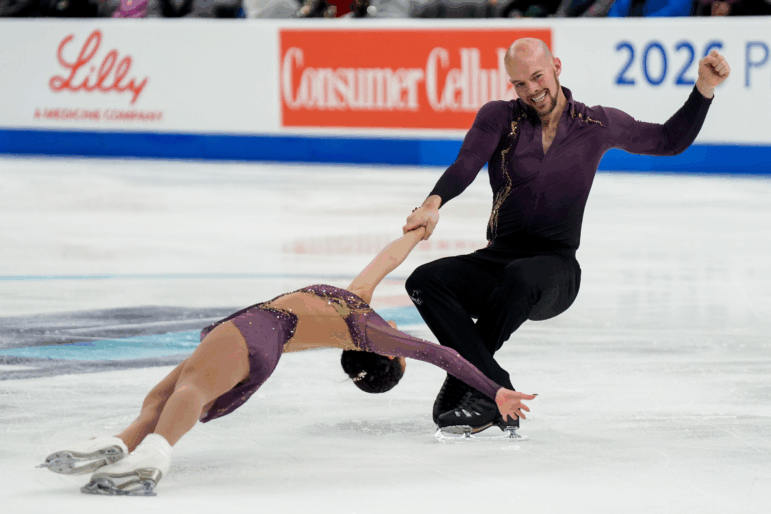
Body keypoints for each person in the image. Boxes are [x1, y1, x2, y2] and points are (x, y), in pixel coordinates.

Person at [38, 225, 536, 496]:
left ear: (388, 360)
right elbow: (387, 259)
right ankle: (123, 446)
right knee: (164, 394)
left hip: (260, 328)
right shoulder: (356, 306)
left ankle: (153, 456)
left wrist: (493, 389)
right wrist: (417, 231)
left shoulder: (370, 329)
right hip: (261, 337)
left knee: (190, 388)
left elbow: (440, 352)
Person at [403, 38, 729, 432]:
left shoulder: (596, 124)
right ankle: (494, 384)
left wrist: (704, 89)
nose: (530, 90)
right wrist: (434, 201)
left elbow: (667, 140)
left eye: (537, 77)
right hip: (499, 258)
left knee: (520, 275)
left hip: (554, 271)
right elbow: (467, 162)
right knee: (425, 281)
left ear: (556, 66)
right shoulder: (499, 117)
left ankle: (472, 381)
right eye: (519, 83)